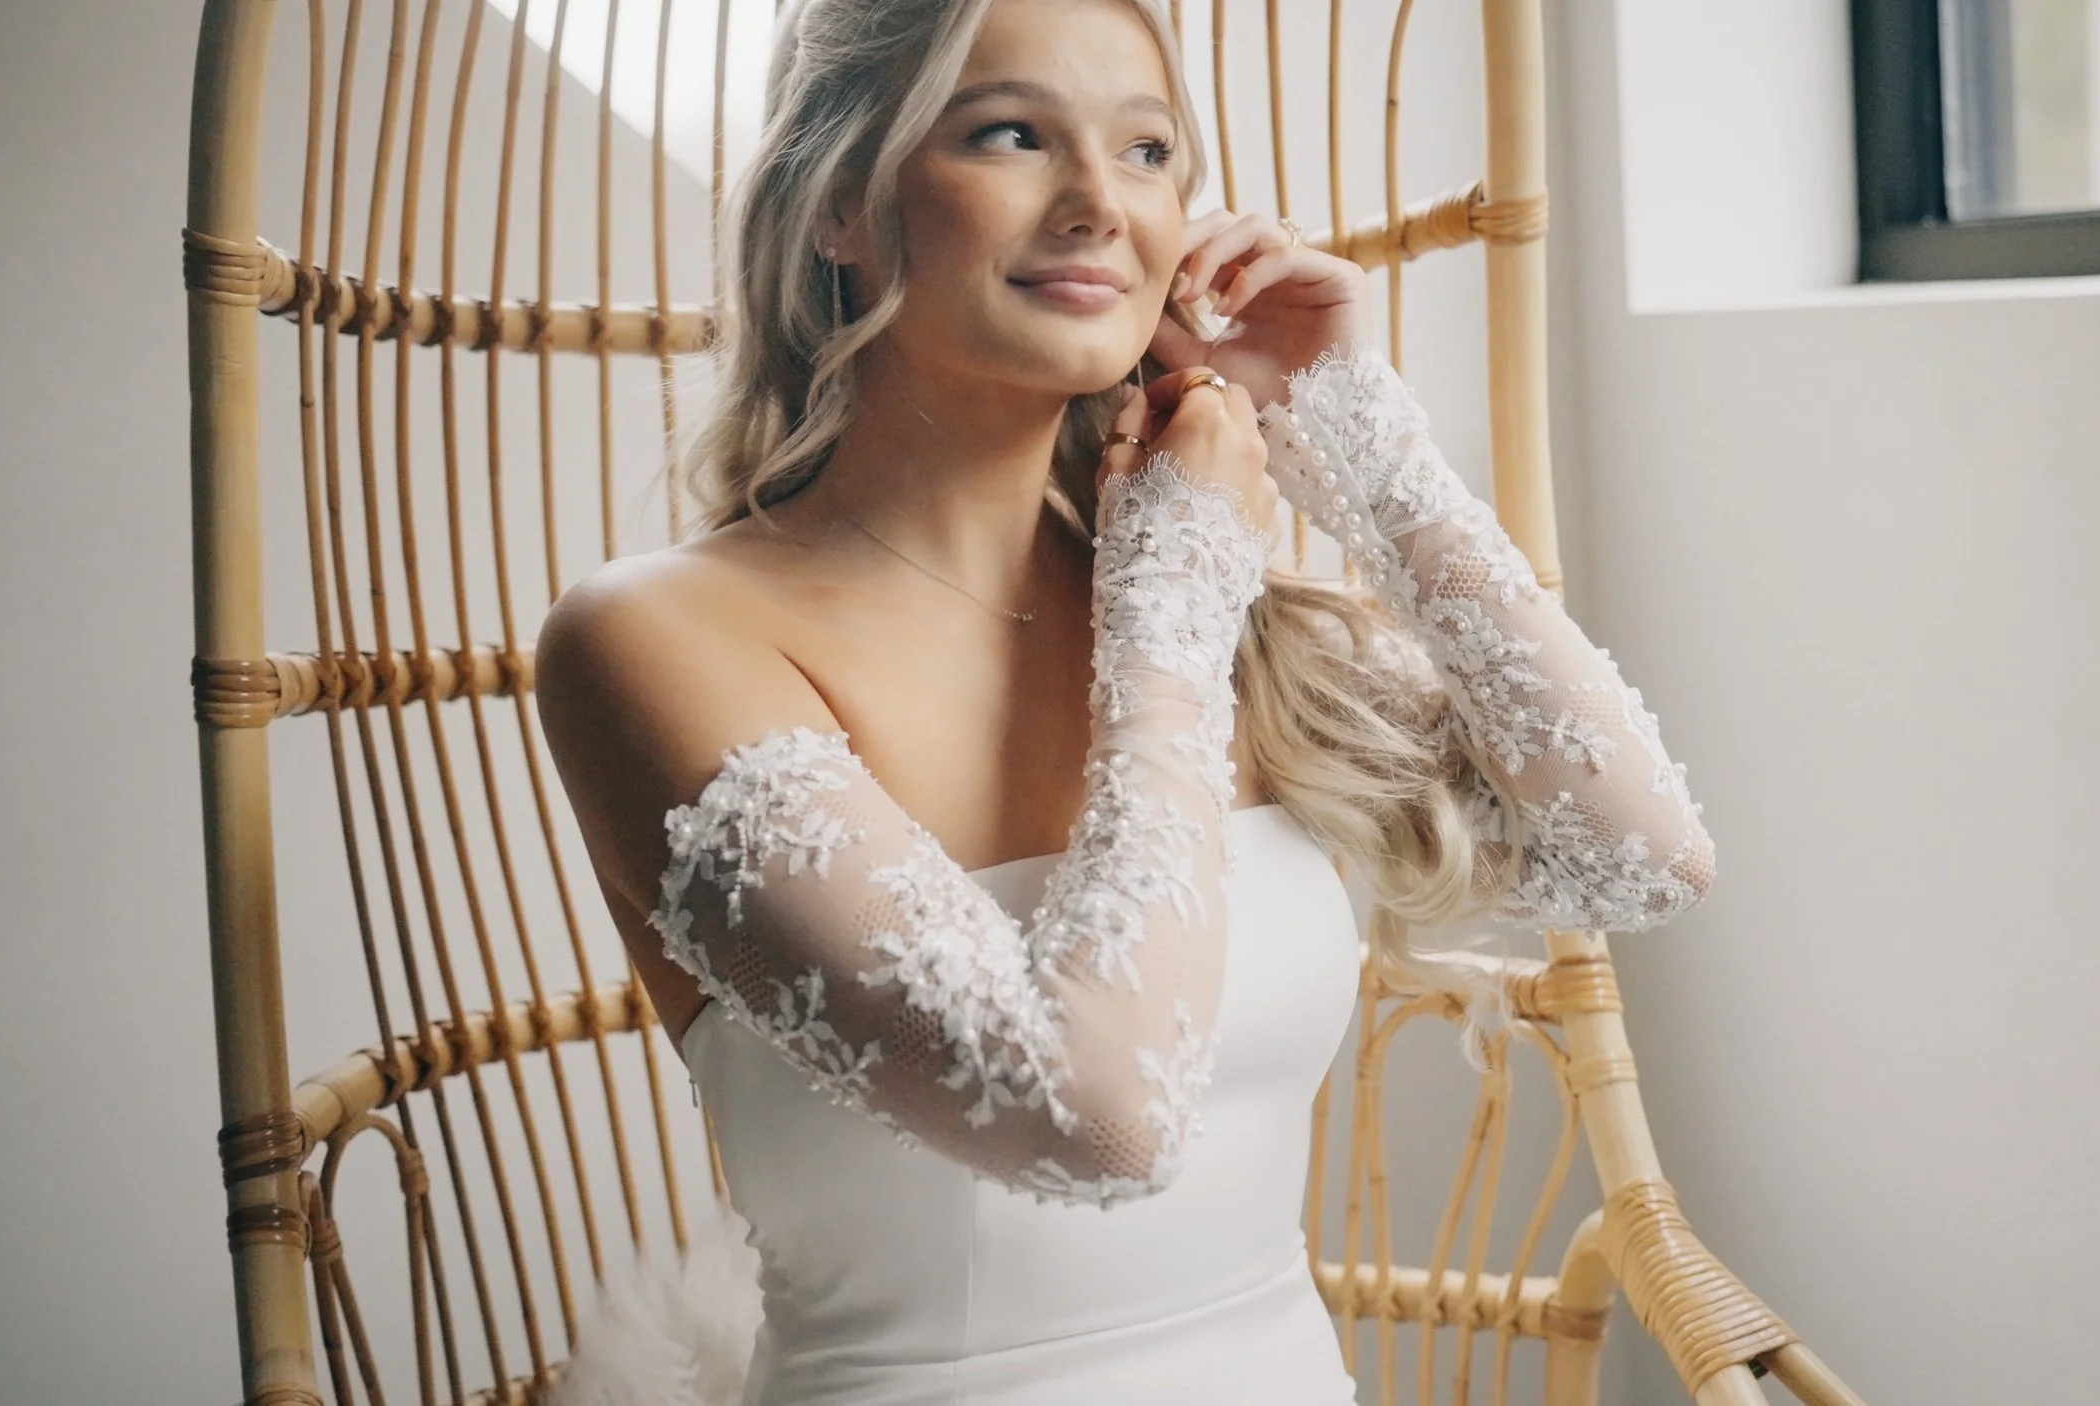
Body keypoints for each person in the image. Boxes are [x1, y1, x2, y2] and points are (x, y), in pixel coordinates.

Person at [534, 0, 1715, 1399]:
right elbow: (1093, 1115)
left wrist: (1351, 424)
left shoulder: (1198, 601)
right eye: (1013, 134)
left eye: (1148, 150)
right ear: (843, 205)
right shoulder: (653, 638)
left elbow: (1635, 855)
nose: (1101, 202)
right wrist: (1175, 583)